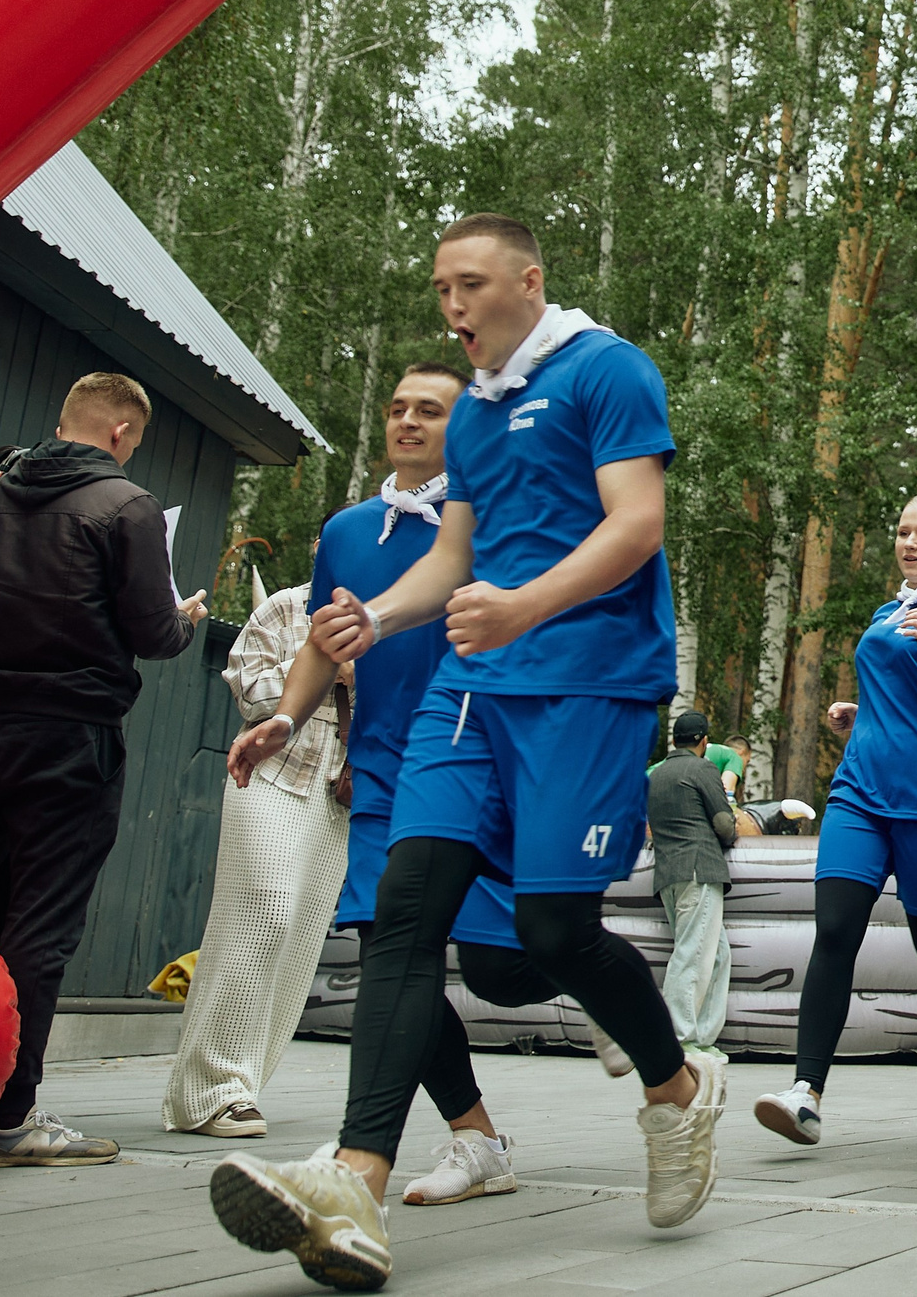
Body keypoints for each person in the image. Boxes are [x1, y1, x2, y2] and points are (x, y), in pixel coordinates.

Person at [207, 214, 720, 1287]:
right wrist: (376, 624)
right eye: (442, 288)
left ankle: (676, 1092)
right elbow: (454, 553)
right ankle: (354, 1180)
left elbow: (637, 524)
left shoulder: (608, 370)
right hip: (471, 689)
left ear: (528, 283)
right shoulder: (476, 417)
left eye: (473, 285)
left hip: (588, 685)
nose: (454, 307)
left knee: (552, 931)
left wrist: (524, 607)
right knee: (405, 913)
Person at [222, 364, 542, 1210]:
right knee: (390, 958)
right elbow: (325, 643)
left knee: (505, 966)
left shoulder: (494, 526)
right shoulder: (347, 529)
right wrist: (289, 719)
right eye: (397, 406)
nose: (405, 419)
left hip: (474, 768)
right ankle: (445, 1141)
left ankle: (611, 992)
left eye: (428, 409)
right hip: (378, 770)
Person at [0, 371, 209, 1166]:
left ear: (63, 420)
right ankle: (6, 1115)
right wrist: (184, 619)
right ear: (124, 433)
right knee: (41, 926)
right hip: (71, 740)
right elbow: (152, 632)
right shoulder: (126, 508)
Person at [752, 495, 917, 1150]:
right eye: (902, 531)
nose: (909, 542)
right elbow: (903, 695)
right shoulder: (890, 609)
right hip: (859, 792)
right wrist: (859, 711)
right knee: (834, 930)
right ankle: (806, 1092)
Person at [163, 569, 353, 1138]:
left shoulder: (385, 616)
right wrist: (321, 667)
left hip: (342, 786)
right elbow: (250, 692)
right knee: (263, 912)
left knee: (300, 932)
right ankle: (213, 1087)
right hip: (268, 772)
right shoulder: (282, 608)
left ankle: (237, 1086)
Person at [648, 712, 737, 1051]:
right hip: (700, 871)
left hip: (668, 874)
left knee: (716, 955)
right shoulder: (703, 769)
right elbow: (724, 824)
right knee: (691, 955)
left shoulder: (656, 775)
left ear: (674, 740)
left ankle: (702, 1038)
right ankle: (679, 1038)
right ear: (703, 742)